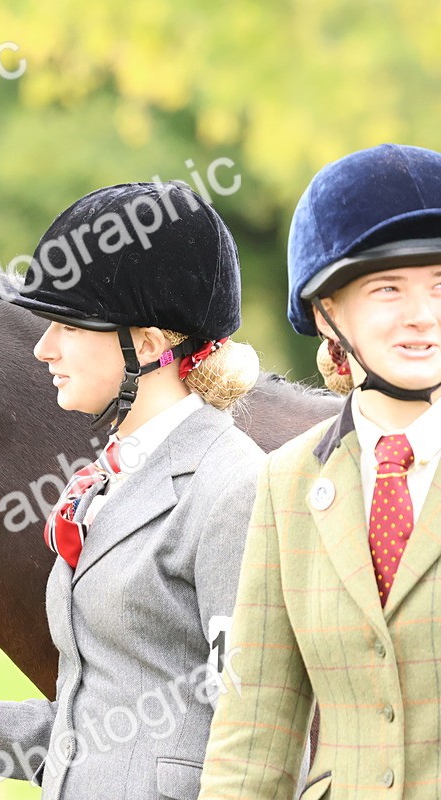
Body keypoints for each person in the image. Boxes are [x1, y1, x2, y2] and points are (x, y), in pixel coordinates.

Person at [0, 182, 265, 799]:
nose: (43, 347)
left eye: (69, 325)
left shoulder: (232, 486)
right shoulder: (117, 475)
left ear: (147, 341)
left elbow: (259, 732)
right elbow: (98, 733)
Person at [198, 143, 441, 800]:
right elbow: (254, 732)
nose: (424, 314)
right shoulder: (288, 482)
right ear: (329, 314)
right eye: (388, 288)